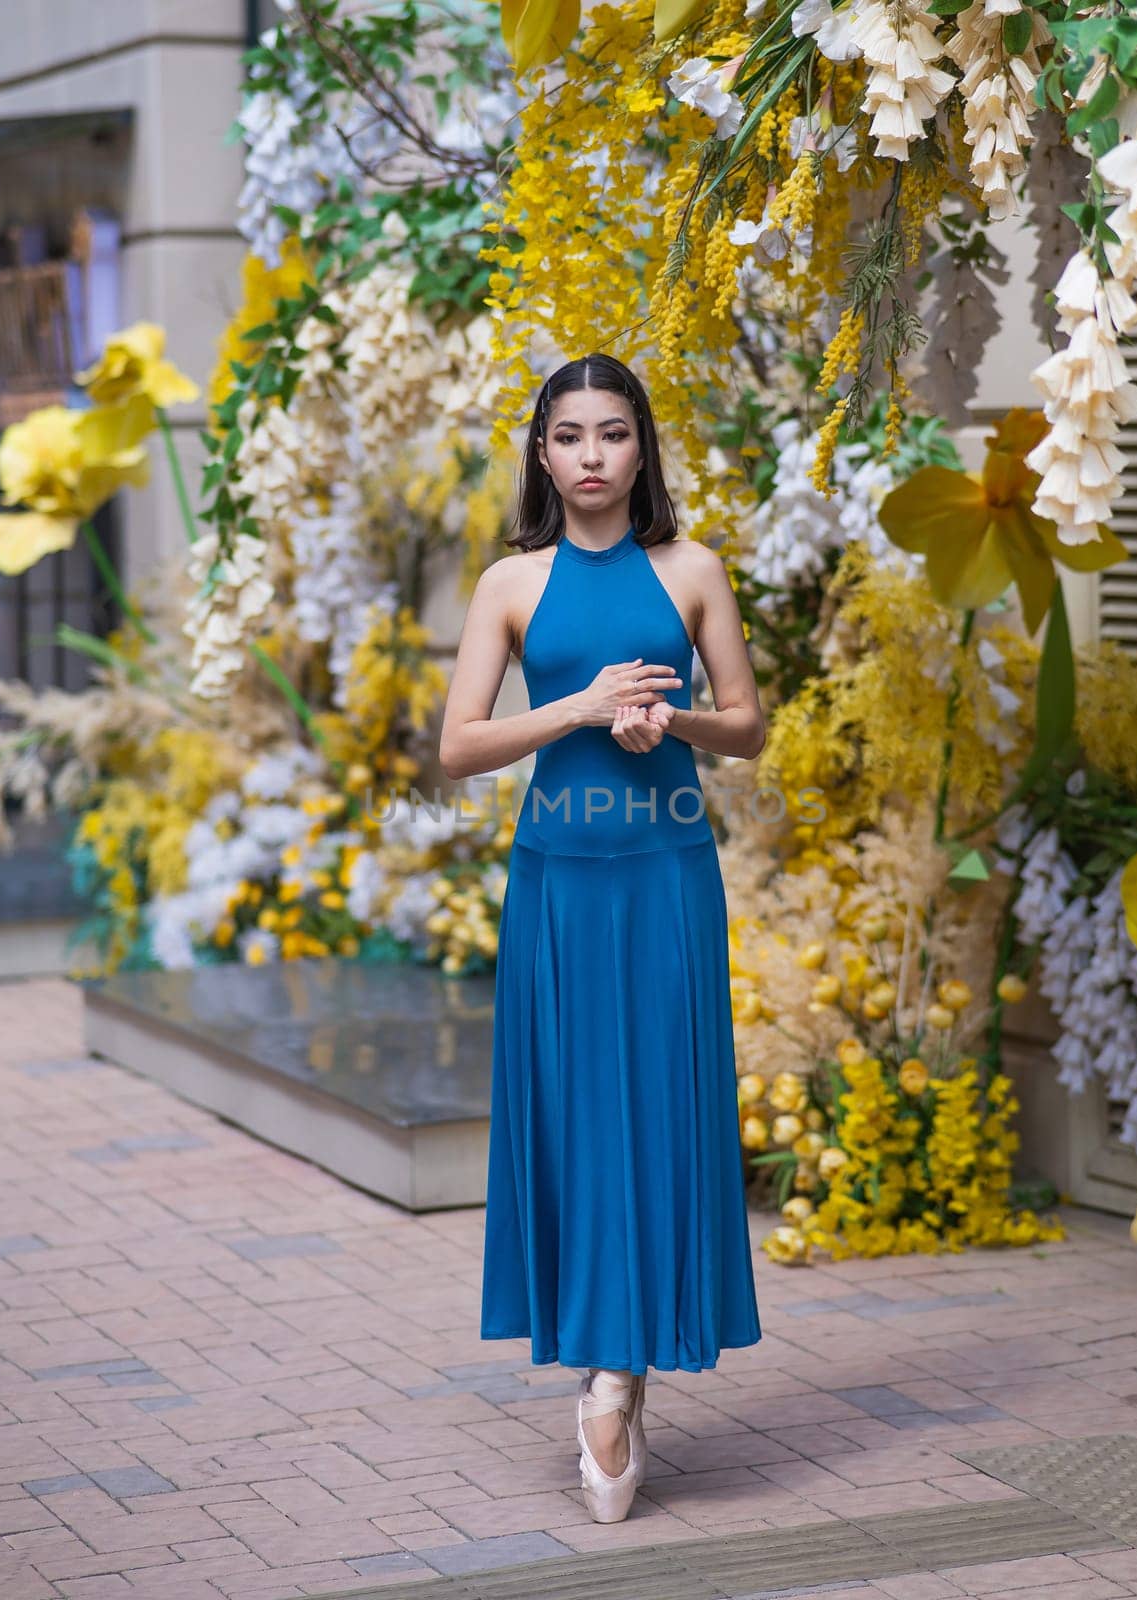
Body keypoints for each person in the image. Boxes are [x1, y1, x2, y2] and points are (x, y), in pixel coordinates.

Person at [438, 352, 764, 1522]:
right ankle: (604, 1373)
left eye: (611, 434)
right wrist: (574, 710)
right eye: (567, 435)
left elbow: (748, 728)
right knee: (580, 1116)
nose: (589, 455)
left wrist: (667, 719)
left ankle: (616, 1374)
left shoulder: (691, 570)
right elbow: (456, 746)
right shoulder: (508, 585)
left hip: (668, 878)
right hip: (560, 887)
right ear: (541, 452)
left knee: (658, 1114)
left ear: (641, 449)